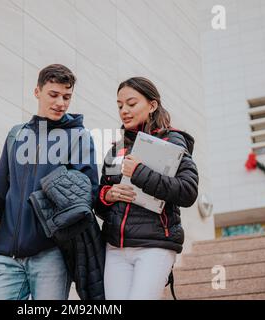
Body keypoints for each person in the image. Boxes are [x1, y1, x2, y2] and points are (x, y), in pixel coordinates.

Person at [0, 64, 99, 300]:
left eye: (67, 97)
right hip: (7, 257)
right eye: (54, 95)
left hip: (51, 255)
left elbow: (88, 193)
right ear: (37, 92)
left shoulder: (79, 137)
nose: (60, 103)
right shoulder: (16, 134)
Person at [94, 77, 199, 300]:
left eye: (131, 104)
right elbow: (101, 204)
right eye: (120, 105)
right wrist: (107, 195)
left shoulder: (172, 140)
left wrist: (139, 172)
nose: (124, 110)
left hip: (155, 245)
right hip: (116, 247)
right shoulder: (116, 149)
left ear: (152, 105)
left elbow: (188, 191)